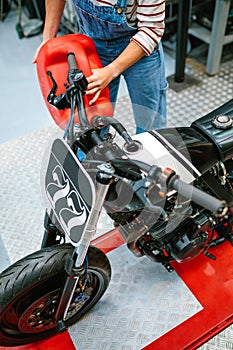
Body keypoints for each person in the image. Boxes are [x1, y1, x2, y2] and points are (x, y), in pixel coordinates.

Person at [33, 0, 168, 134]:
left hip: (140, 49)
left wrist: (111, 71)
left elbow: (151, 29)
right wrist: (48, 40)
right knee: (89, 126)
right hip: (91, 47)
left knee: (151, 126)